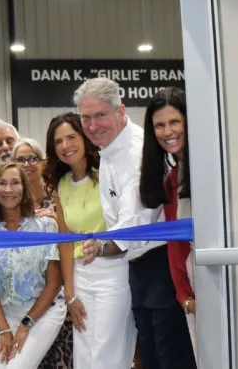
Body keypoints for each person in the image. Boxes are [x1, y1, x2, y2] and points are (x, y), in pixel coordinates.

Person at [75, 77, 195, 369]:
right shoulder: (109, 148)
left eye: (100, 115)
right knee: (151, 358)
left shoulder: (138, 152)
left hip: (163, 268)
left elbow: (137, 218)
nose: (92, 125)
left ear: (120, 111)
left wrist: (103, 245)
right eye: (85, 118)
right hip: (139, 270)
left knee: (171, 358)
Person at [43, 112, 136, 368]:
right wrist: (70, 294)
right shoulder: (61, 184)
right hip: (80, 277)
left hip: (114, 271)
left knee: (107, 353)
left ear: (84, 138)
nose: (65, 146)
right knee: (84, 356)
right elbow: (65, 242)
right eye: (58, 141)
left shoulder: (107, 173)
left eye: (71, 137)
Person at [0, 162, 66, 369]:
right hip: (4, 314)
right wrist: (4, 329)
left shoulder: (46, 226)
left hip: (44, 312)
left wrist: (25, 325)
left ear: (24, 188)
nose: (9, 190)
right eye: (2, 183)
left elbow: (54, 284)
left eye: (15, 183)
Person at [139, 87, 196, 358]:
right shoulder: (171, 180)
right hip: (192, 294)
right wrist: (184, 296)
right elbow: (176, 246)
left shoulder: (213, 169)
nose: (167, 131)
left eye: (175, 121)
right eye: (159, 125)